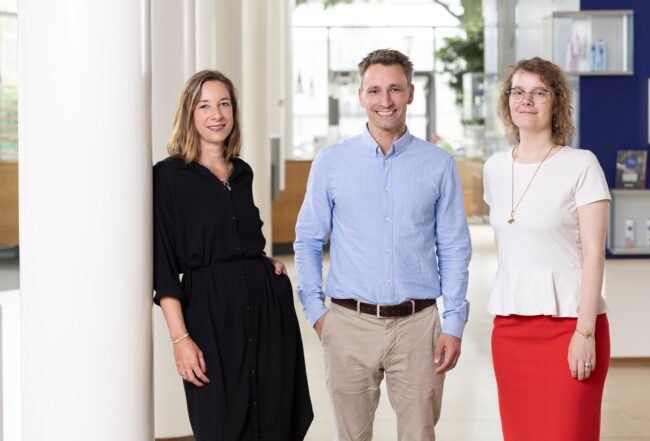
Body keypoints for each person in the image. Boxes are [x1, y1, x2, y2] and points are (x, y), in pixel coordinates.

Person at [294, 49, 472, 441]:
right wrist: (317, 313)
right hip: (348, 326)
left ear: (410, 93)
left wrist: (455, 323)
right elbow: (307, 240)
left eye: (394, 89)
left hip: (418, 328)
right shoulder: (331, 162)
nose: (385, 100)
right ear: (360, 96)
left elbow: (455, 247)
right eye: (374, 90)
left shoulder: (438, 164)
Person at [153, 70, 313, 441]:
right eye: (205, 105)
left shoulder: (242, 172)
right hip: (209, 315)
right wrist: (181, 340)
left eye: (224, 104)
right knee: (220, 423)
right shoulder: (168, 177)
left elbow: (242, 236)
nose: (217, 114)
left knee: (275, 415)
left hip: (267, 312)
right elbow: (162, 270)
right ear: (189, 113)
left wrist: (263, 260)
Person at [483, 57, 611, 441]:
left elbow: (593, 255)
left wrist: (584, 333)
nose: (527, 100)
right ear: (507, 101)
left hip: (570, 328)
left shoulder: (581, 164)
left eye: (539, 92)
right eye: (518, 92)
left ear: (556, 102)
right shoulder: (494, 168)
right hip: (509, 330)